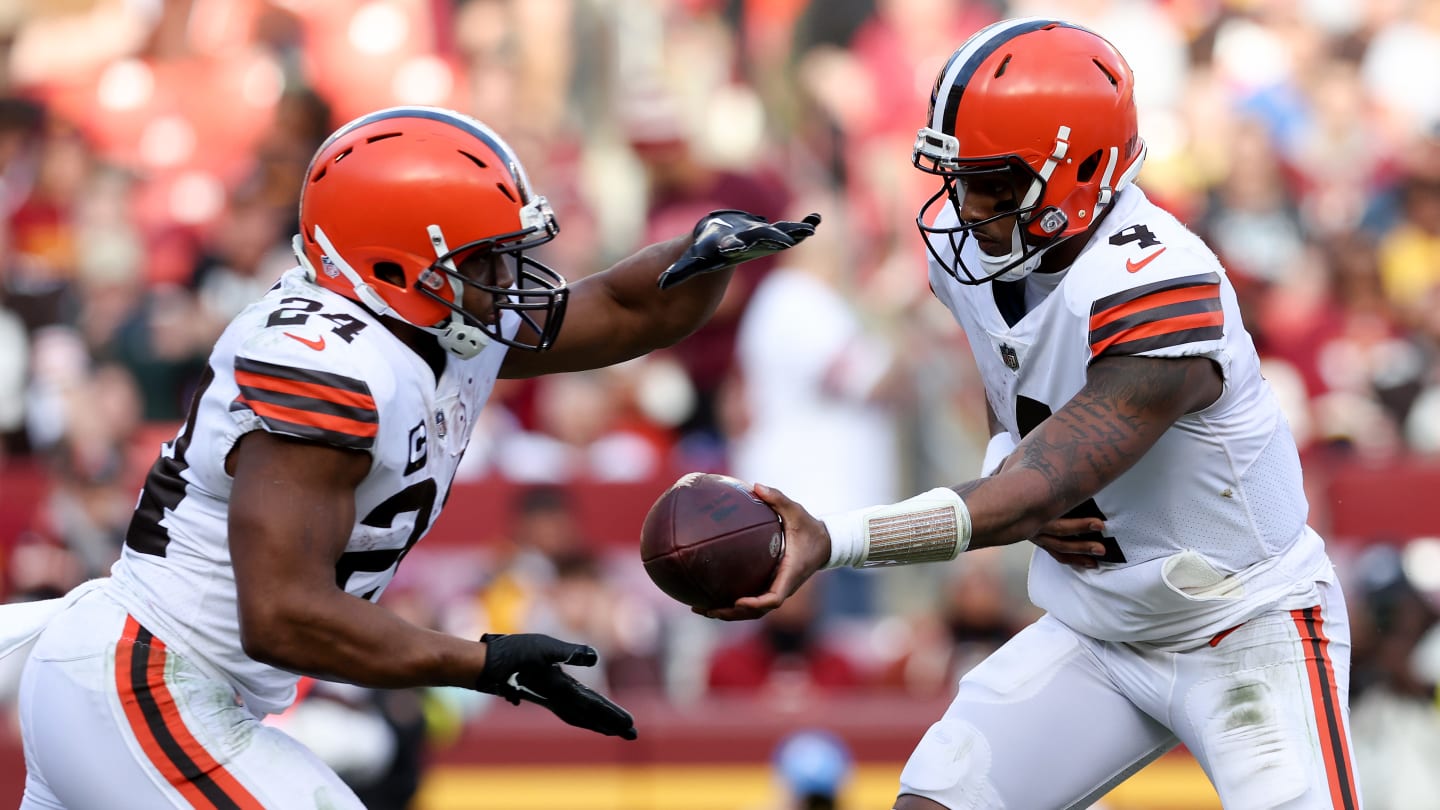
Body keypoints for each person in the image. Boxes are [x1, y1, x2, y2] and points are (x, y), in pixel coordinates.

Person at [0, 105, 820, 808]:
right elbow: (282, 614)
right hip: (147, 678)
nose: (512, 278)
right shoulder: (326, 359)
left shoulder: (424, 322)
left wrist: (707, 255)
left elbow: (612, 309)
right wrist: (483, 662)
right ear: (396, 260)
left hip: (172, 685)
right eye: (485, 259)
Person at [705, 19, 1360, 810]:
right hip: (1095, 624)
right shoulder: (974, 247)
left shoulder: (1160, 281)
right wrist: (1005, 465)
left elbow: (1038, 482)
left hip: (1244, 627)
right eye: (962, 177)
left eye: (995, 183)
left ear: (1081, 171)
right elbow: (1015, 379)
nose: (967, 205)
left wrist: (836, 539)